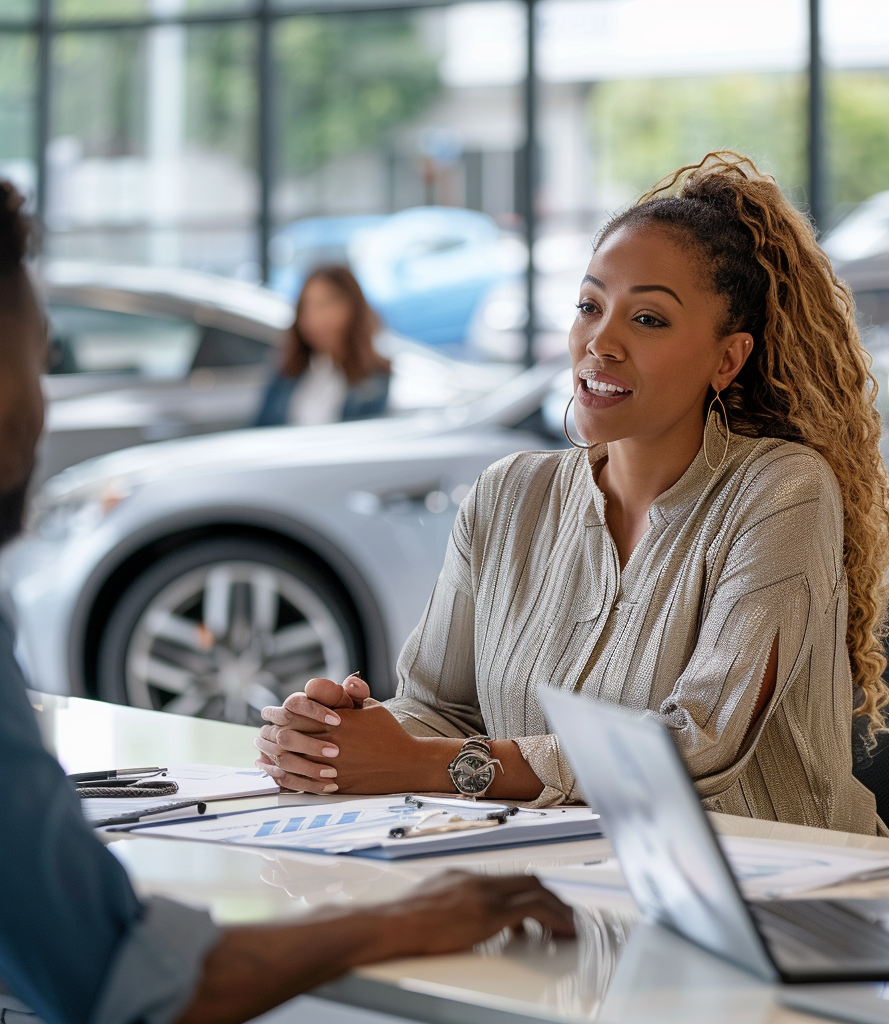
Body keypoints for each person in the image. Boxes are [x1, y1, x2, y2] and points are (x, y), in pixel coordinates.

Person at [0, 180, 574, 1024]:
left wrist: (368, 738)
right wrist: (409, 912)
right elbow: (126, 984)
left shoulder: (771, 498)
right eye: (36, 362)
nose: (43, 407)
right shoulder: (510, 488)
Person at [255, 152, 889, 837]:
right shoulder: (507, 496)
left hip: (788, 899)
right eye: (590, 306)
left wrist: (428, 767)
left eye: (648, 319)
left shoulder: (780, 492)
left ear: (727, 358)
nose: (601, 341)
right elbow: (440, 712)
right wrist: (337, 738)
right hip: (569, 883)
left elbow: (694, 749)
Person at [255, 265, 391, 426]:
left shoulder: (374, 380)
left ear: (353, 308)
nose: (316, 318)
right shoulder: (287, 370)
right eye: (308, 306)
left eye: (326, 304)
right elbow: (260, 430)